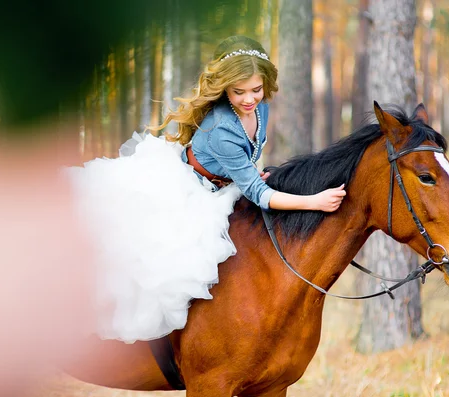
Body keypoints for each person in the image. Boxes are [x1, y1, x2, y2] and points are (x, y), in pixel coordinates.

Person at [65, 35, 346, 343]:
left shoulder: (260, 108)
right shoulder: (221, 130)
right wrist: (314, 201)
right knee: (170, 262)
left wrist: (249, 172)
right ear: (224, 88)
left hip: (223, 186)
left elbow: (251, 154)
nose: (249, 99)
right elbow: (260, 196)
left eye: (256, 89)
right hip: (191, 191)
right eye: (238, 92)